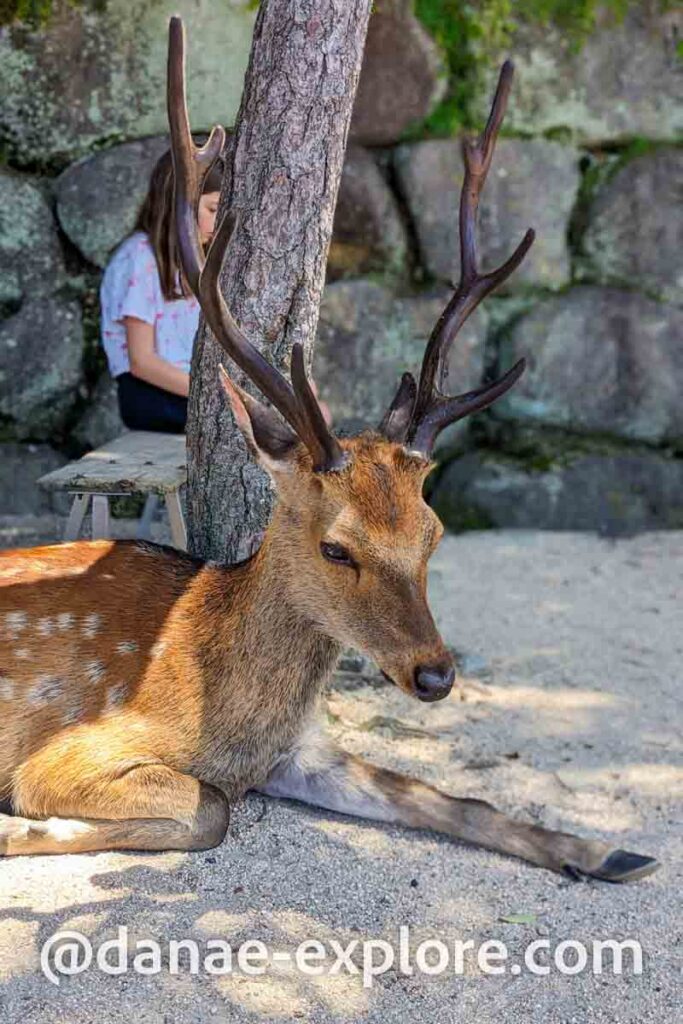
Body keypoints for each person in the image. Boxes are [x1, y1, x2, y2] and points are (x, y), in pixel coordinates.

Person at [100, 148, 222, 433]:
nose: (218, 222)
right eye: (213, 209)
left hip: (189, 393)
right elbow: (141, 361)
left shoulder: (193, 260)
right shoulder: (139, 258)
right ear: (179, 203)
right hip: (154, 396)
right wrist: (212, 398)